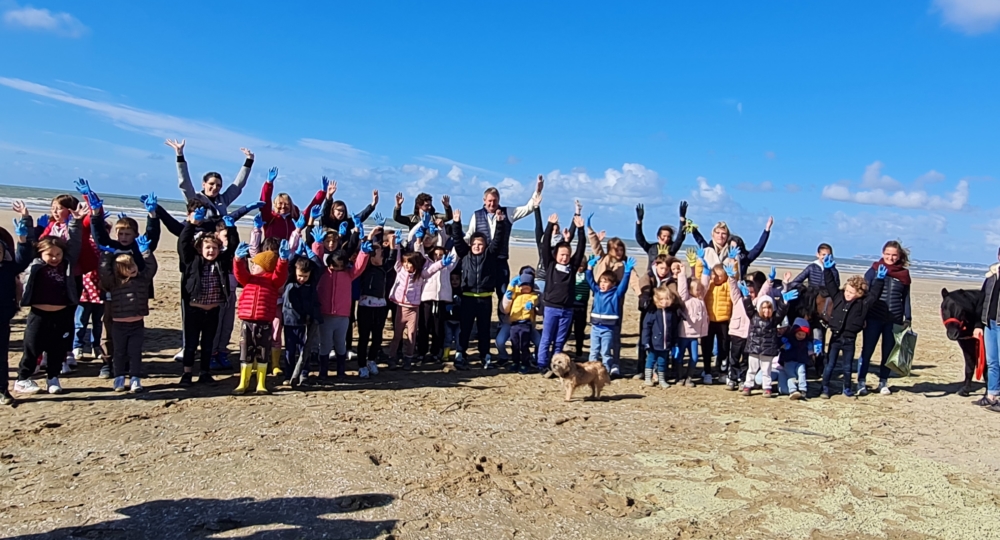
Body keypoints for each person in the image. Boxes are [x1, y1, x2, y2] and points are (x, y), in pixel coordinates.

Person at [13, 201, 85, 396]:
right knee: (32, 347)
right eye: (50, 255)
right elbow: (27, 244)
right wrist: (26, 218)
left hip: (60, 314)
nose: (54, 258)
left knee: (57, 349)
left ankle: (52, 378)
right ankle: (22, 379)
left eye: (58, 254)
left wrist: (76, 222)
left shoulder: (67, 265)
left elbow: (75, 243)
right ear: (41, 254)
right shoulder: (35, 264)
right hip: (38, 314)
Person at [178, 205, 239, 386]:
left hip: (213, 310)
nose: (211, 251)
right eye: (207, 248)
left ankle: (204, 372)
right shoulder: (192, 261)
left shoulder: (221, 261)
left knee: (207, 344)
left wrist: (232, 229)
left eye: (214, 248)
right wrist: (191, 224)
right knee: (190, 344)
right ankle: (187, 374)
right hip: (194, 310)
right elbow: (183, 244)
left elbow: (233, 246)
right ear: (200, 249)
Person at [98, 235, 157, 393]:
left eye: (133, 265)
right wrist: (106, 255)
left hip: (137, 324)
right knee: (119, 352)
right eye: (127, 266)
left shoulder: (142, 280)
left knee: (135, 352)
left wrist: (146, 253)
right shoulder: (114, 283)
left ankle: (135, 379)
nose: (132, 268)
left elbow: (150, 268)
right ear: (118, 269)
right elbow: (104, 272)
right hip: (119, 325)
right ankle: (119, 378)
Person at [453, 209, 510, 369]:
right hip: (467, 297)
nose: (477, 247)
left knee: (484, 330)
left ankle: (485, 355)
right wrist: (456, 223)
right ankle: (460, 353)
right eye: (474, 244)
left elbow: (498, 240)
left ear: (485, 245)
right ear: (470, 245)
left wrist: (500, 223)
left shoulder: (490, 255)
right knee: (465, 329)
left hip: (484, 298)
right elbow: (457, 240)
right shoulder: (464, 254)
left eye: (481, 244)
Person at [821, 256, 885, 399]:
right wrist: (827, 270)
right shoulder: (838, 297)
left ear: (860, 294)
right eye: (847, 291)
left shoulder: (863, 304)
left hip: (849, 340)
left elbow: (874, 295)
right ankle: (825, 387)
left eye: (851, 292)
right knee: (830, 365)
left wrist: (879, 280)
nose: (848, 294)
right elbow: (830, 284)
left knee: (847, 367)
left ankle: (847, 388)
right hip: (835, 337)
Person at [232, 238, 290, 394]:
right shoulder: (248, 279)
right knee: (246, 352)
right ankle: (243, 383)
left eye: (255, 265)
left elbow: (280, 274)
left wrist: (283, 261)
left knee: (263, 352)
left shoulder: (273, 281)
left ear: (265, 267)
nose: (252, 267)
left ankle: (261, 383)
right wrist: (237, 260)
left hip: (264, 322)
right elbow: (239, 273)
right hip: (247, 321)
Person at [857, 241, 912, 396]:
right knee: (867, 351)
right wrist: (861, 315)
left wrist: (908, 317)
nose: (890, 257)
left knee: (888, 353)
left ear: (899, 255)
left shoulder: (904, 275)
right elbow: (864, 294)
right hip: (873, 317)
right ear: (882, 253)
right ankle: (861, 381)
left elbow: (906, 298)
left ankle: (883, 382)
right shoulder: (874, 270)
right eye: (887, 254)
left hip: (894, 319)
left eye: (894, 255)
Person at [387, 234, 448, 370]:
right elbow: (397, 258)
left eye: (410, 263)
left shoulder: (420, 275)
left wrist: (442, 263)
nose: (407, 265)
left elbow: (432, 269)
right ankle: (392, 358)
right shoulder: (400, 270)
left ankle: (408, 359)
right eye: (406, 262)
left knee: (412, 335)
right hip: (400, 308)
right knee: (397, 335)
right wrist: (396, 245)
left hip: (413, 309)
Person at [537, 212, 587, 376]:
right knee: (546, 338)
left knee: (559, 341)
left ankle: (556, 367)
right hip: (551, 307)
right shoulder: (550, 264)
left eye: (567, 255)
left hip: (567, 309)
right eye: (562, 255)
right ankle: (542, 365)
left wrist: (580, 229)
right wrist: (550, 225)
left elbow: (581, 248)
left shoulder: (572, 267)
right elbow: (544, 245)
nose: (564, 258)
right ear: (556, 255)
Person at [585, 214, 637, 373]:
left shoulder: (625, 264)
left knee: (614, 335)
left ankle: (614, 363)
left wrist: (642, 293)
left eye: (621, 249)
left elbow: (634, 279)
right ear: (610, 249)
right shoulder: (603, 258)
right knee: (597, 337)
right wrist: (590, 229)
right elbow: (595, 245)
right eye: (616, 249)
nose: (619, 252)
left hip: (615, 303)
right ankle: (595, 364)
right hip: (600, 301)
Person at [316, 237, 371, 380]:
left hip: (342, 317)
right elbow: (316, 259)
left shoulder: (348, 275)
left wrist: (364, 253)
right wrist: (318, 244)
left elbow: (359, 267)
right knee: (325, 345)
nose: (337, 267)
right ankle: (323, 372)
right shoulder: (322, 273)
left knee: (341, 345)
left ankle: (341, 371)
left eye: (341, 265)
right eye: (335, 264)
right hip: (326, 316)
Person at [1, 202, 37, 404]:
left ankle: (2, 390)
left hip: (2, 319)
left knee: (1, 359)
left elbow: (23, 259)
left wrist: (23, 237)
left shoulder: (8, 268)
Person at [167, 139, 254, 220]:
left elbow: (238, 185)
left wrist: (249, 160)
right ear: (204, 184)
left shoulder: (222, 200)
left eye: (218, 185)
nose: (215, 187)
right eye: (211, 184)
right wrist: (180, 155)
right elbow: (185, 183)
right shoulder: (195, 198)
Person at [740, 279, 796, 397]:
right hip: (754, 347)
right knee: (752, 369)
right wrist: (746, 297)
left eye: (769, 308)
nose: (766, 310)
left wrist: (785, 301)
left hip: (768, 349)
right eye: (764, 307)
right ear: (759, 308)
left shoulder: (774, 320)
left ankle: (767, 387)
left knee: (766, 370)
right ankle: (747, 385)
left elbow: (781, 312)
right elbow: (748, 307)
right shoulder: (754, 316)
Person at [282, 250, 323, 387]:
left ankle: (303, 374)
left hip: (305, 322)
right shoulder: (290, 281)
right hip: (290, 321)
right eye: (300, 275)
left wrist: (312, 253)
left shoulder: (310, 284)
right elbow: (288, 267)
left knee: (304, 349)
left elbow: (318, 268)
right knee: (290, 350)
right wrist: (295, 255)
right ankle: (289, 375)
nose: (302, 278)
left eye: (305, 276)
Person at [676, 254, 711, 387]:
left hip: (695, 335)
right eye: (697, 289)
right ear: (691, 290)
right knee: (679, 356)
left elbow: (705, 285)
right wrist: (682, 273)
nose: (700, 291)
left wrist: (706, 272)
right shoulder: (686, 299)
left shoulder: (701, 299)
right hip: (684, 334)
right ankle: (680, 377)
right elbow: (682, 289)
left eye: (700, 289)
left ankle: (689, 377)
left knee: (695, 357)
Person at [641, 285, 682, 388]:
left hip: (666, 344)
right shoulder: (652, 312)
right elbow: (646, 327)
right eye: (662, 299)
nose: (665, 301)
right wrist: (645, 342)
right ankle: (647, 378)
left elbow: (674, 329)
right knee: (651, 360)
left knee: (662, 362)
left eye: (667, 299)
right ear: (657, 300)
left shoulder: (671, 314)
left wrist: (674, 344)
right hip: (653, 344)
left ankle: (662, 379)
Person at [501, 268, 540, 373]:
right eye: (522, 286)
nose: (524, 288)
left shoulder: (533, 295)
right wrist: (510, 290)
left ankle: (525, 363)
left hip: (526, 324)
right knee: (515, 345)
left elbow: (535, 300)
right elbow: (509, 294)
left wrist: (531, 304)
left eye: (527, 286)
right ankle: (515, 362)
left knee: (524, 345)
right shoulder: (515, 293)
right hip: (514, 324)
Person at [975, 248, 1000, 411]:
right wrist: (978, 325)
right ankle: (991, 395)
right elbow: (982, 301)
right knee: (992, 362)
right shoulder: (991, 276)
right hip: (989, 323)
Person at [635, 201, 688, 270]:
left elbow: (680, 238)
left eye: (668, 237)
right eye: (664, 236)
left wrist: (682, 219)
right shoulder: (651, 248)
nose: (666, 239)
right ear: (658, 236)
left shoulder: (672, 248)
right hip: (652, 277)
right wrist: (639, 222)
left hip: (667, 277)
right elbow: (640, 239)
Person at [778, 318, 812, 400]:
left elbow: (810, 349)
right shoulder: (788, 339)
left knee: (802, 372)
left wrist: (812, 351)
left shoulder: (807, 342)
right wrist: (783, 344)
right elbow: (780, 345)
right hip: (789, 360)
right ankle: (793, 390)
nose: (800, 336)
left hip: (801, 360)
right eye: (799, 334)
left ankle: (803, 389)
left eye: (803, 335)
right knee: (791, 375)